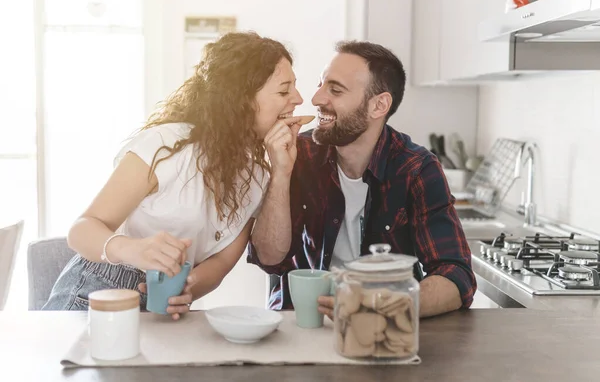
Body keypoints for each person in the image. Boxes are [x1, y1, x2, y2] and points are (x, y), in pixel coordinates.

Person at [42, 31, 304, 320]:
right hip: (95, 293)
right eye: (283, 91)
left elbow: (223, 262)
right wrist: (133, 250)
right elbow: (81, 231)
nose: (299, 99)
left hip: (163, 307)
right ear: (241, 99)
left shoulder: (256, 176)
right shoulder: (165, 145)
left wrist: (188, 290)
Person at [248, 40, 477, 318]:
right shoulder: (299, 155)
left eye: (335, 90)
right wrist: (281, 173)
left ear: (379, 105)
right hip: (301, 322)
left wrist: (384, 305)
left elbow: (456, 276)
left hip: (382, 330)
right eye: (321, 84)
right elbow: (269, 259)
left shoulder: (416, 169)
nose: (317, 98)